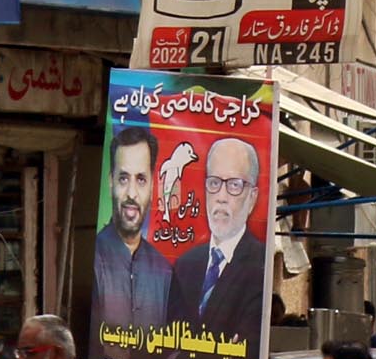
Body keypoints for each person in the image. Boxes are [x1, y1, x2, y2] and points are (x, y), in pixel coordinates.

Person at [166, 138, 267, 338]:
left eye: (234, 185)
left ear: (252, 197)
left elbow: (246, 351)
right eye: (214, 183)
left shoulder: (261, 266)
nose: (221, 196)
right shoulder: (185, 265)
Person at [94, 126, 171, 329]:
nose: (132, 193)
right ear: (111, 182)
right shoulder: (93, 259)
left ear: (153, 186)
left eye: (141, 179)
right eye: (123, 178)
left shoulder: (163, 272)